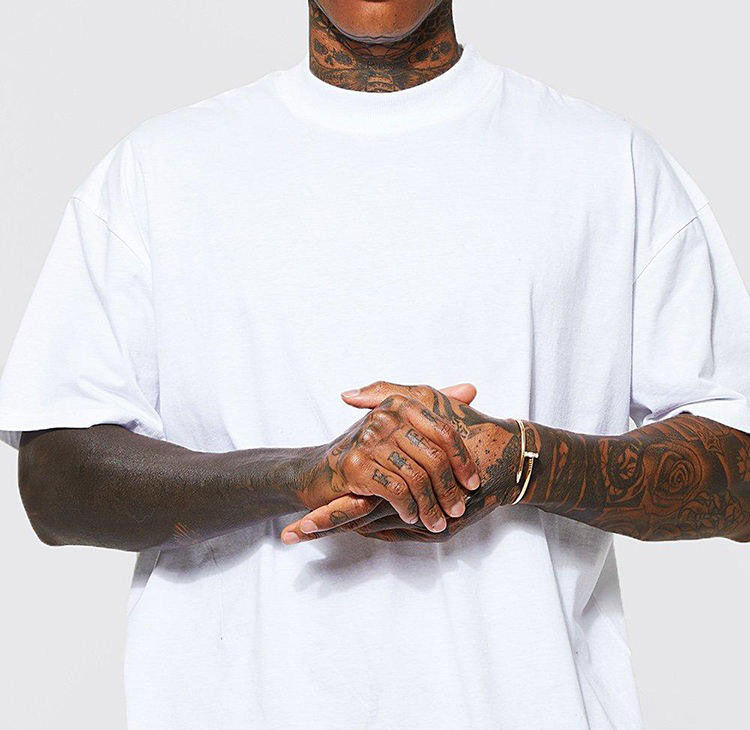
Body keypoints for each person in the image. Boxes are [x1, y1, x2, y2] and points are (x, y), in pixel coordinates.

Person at [1, 1, 748, 728]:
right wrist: (303, 474)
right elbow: (54, 482)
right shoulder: (159, 171)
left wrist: (523, 461)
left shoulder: (606, 164)